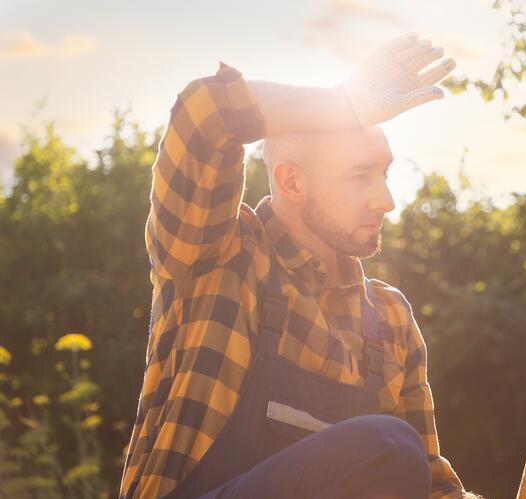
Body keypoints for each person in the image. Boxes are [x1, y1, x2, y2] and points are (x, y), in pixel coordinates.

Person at [119, 32, 482, 499]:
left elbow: (429, 485)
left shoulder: (392, 319)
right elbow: (204, 112)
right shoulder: (217, 258)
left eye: (385, 173)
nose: (386, 200)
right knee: (387, 447)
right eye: (360, 176)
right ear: (291, 181)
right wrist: (343, 104)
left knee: (397, 453)